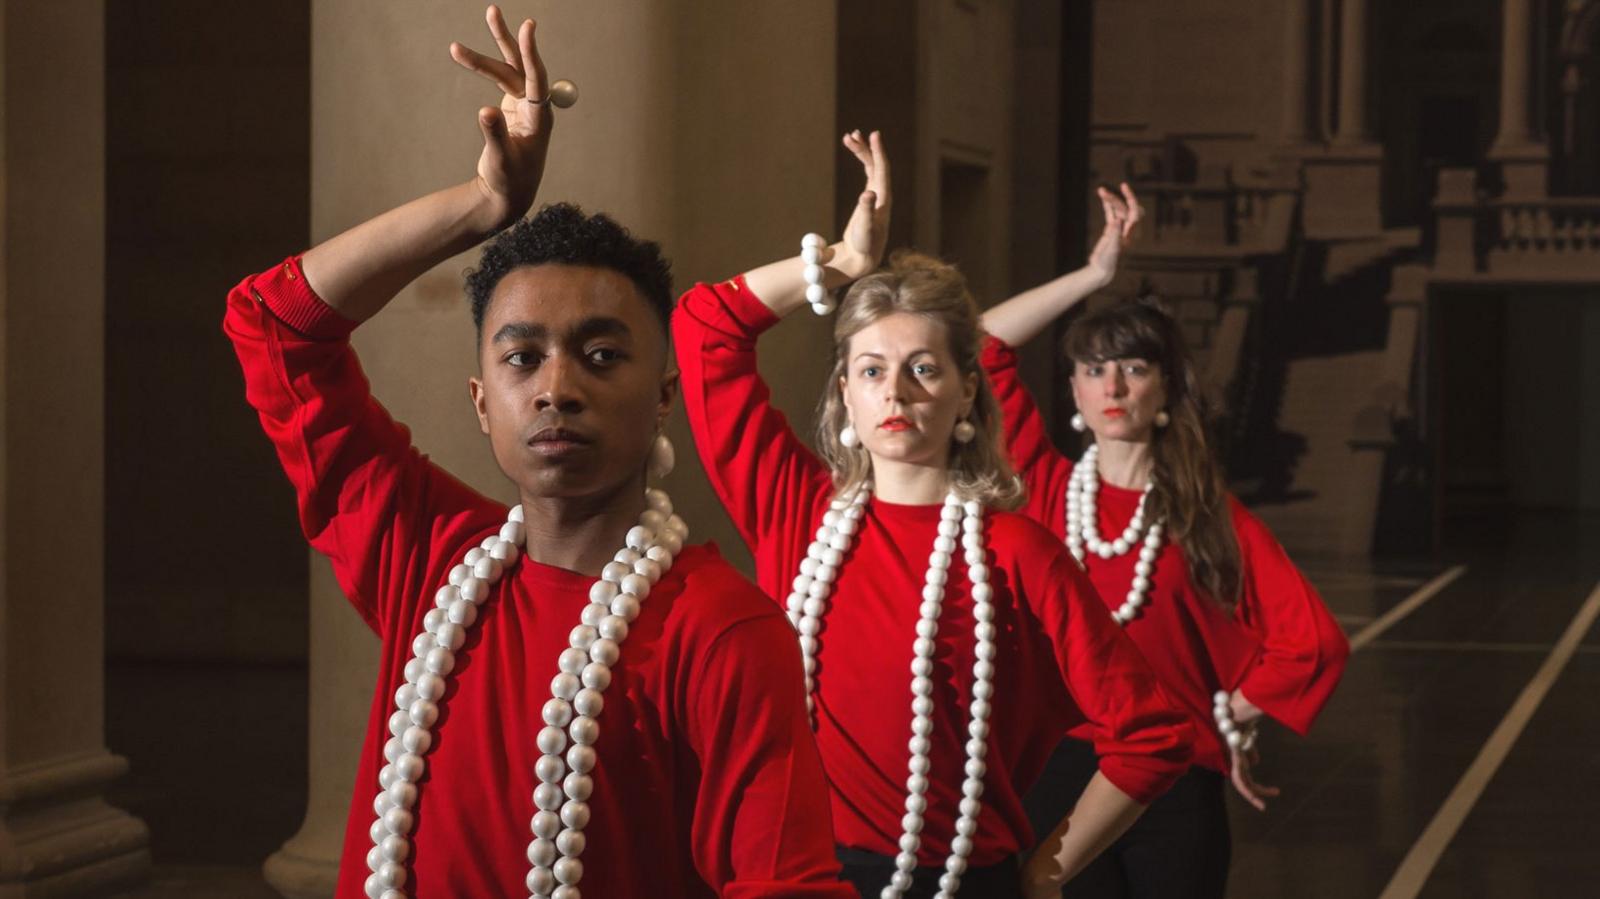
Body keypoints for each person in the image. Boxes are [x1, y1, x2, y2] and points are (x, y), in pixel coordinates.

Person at [224, 7, 852, 897]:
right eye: (523, 358)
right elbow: (276, 322)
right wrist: (483, 206)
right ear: (484, 404)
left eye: (602, 355)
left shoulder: (720, 629)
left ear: (664, 394)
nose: (557, 387)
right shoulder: (431, 559)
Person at [673, 132, 1194, 899]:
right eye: (872, 370)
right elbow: (705, 328)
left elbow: (1151, 732)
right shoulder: (795, 509)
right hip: (806, 877)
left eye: (923, 369)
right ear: (845, 392)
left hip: (959, 881)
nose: (897, 393)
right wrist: (841, 266)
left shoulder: (1015, 550)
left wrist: (1045, 874)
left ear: (964, 394)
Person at [980, 184, 1350, 898]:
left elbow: (1314, 643)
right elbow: (984, 340)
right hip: (1060, 770)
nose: (1113, 384)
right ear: (1077, 395)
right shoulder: (1045, 487)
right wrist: (1095, 276)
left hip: (1174, 783)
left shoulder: (1206, 512)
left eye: (1134, 367)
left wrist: (1226, 711)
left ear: (1164, 388)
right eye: (1094, 369)